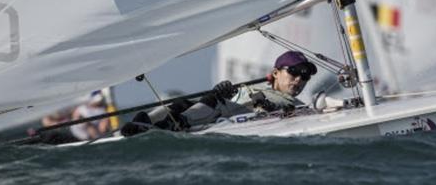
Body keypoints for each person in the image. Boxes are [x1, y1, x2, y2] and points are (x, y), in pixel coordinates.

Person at [121, 50, 317, 136]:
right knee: (182, 103)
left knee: (215, 101)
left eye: (305, 76)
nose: (299, 79)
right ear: (275, 73)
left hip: (241, 120)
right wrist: (224, 92)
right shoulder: (254, 88)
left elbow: (292, 116)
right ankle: (144, 121)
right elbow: (229, 101)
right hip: (225, 116)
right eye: (293, 72)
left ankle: (170, 126)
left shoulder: (298, 105)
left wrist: (271, 107)